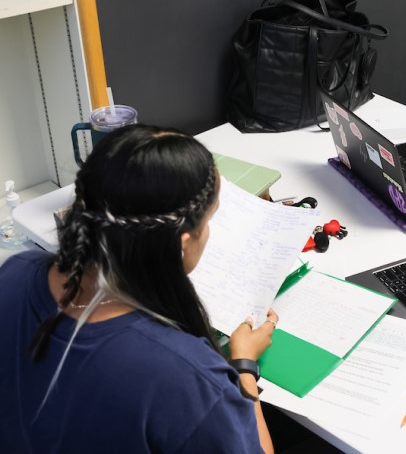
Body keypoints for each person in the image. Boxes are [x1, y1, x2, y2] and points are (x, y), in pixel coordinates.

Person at [0, 125, 277, 452]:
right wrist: (243, 366)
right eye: (208, 221)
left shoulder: (16, 272)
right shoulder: (189, 380)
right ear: (180, 243)